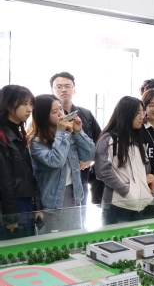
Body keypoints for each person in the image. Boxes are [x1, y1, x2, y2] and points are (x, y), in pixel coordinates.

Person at [28, 94, 95, 231]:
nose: (61, 114)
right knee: (56, 240)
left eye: (61, 109)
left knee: (74, 238)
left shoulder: (68, 135)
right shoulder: (36, 141)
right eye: (54, 111)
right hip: (53, 201)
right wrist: (61, 132)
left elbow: (89, 155)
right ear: (42, 116)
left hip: (74, 194)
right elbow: (56, 161)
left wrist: (78, 132)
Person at [95, 96, 153, 223]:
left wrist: (146, 184)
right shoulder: (109, 139)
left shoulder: (138, 139)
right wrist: (126, 191)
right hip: (117, 206)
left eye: (143, 113)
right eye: (138, 113)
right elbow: (102, 171)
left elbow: (145, 167)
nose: (142, 117)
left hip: (139, 204)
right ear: (127, 114)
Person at [50, 72, 102, 205]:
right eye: (59, 87)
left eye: (67, 86)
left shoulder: (85, 114)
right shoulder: (46, 117)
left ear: (74, 90)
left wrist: (90, 159)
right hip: (56, 182)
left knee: (81, 214)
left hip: (82, 177)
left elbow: (101, 140)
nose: (63, 90)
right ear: (52, 91)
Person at [0, 85, 43, 237]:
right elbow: (4, 179)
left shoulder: (18, 132)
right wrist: (10, 216)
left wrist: (37, 206)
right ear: (9, 105)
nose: (29, 109)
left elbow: (29, 173)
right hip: (11, 205)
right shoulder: (3, 136)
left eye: (31, 104)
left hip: (24, 202)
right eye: (24, 104)